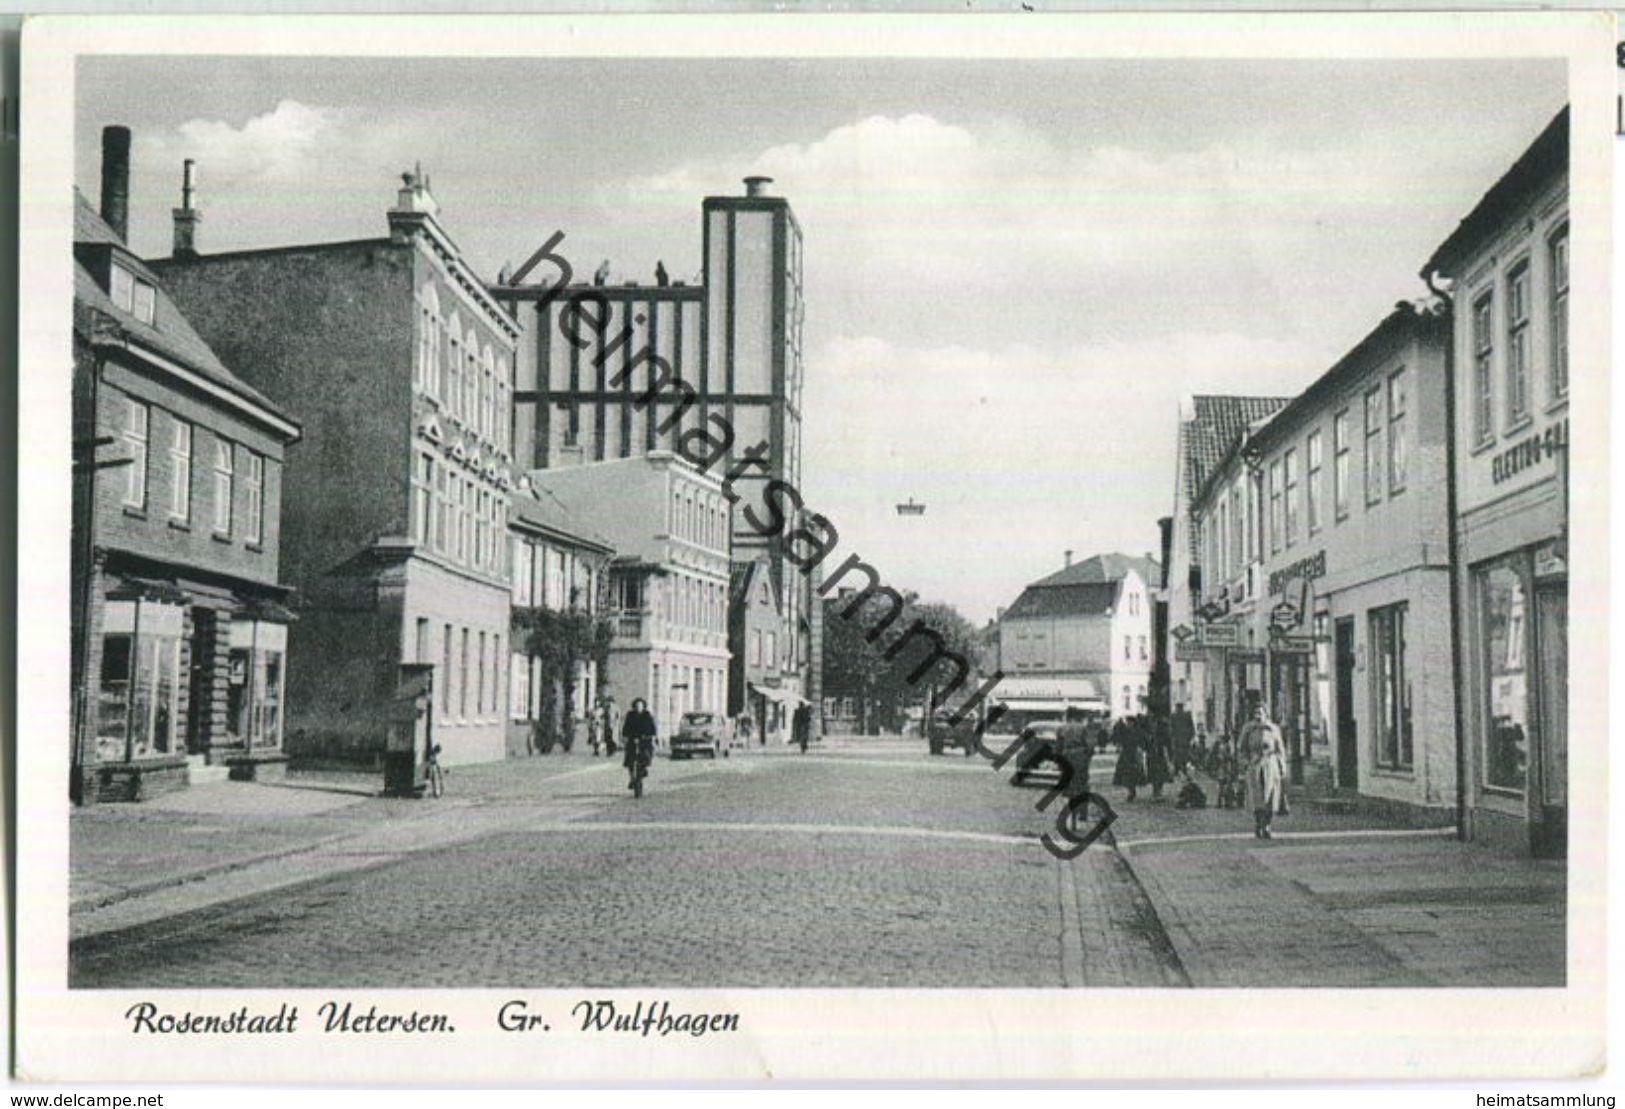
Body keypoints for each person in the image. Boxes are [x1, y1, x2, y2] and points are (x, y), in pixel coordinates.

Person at [1238, 701, 1287, 839]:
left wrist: (1282, 765)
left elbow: (1280, 749)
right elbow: (1241, 749)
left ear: (1266, 714)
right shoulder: (1248, 729)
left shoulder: (1273, 729)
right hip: (1254, 765)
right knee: (1256, 797)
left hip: (1270, 765)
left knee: (1270, 796)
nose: (1258, 716)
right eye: (1256, 713)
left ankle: (1267, 825)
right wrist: (1245, 763)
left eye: (1260, 713)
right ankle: (1258, 823)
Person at [621, 697, 657, 792]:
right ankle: (632, 777)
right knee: (630, 759)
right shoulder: (630, 715)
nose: (638, 708)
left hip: (644, 740)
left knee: (646, 755)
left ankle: (644, 768)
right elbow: (626, 727)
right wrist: (625, 736)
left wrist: (652, 736)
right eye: (637, 706)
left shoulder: (647, 715)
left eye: (640, 706)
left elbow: (652, 727)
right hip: (632, 739)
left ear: (643, 706)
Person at [1112, 715, 1147, 802]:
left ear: (1133, 723)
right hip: (1126, 754)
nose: (1129, 724)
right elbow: (1118, 738)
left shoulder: (1137, 731)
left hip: (1134, 754)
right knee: (1126, 773)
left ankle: (1132, 790)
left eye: (1130, 722)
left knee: (1133, 773)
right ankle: (1130, 790)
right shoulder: (1125, 731)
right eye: (1128, 722)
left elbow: (1143, 741)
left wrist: (1141, 748)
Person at [1145, 715, 1173, 800]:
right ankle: (1156, 791)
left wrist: (1170, 753)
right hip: (1152, 754)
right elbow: (1146, 742)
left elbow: (1168, 743)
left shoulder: (1163, 730)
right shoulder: (1149, 730)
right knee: (1154, 773)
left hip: (1160, 754)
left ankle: (1158, 790)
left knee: (1160, 773)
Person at [1170, 705, 1196, 777]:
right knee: (1182, 754)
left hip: (1180, 739)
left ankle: (1179, 769)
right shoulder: (1186, 716)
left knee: (1179, 754)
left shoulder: (1174, 716)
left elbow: (1171, 728)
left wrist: (1172, 737)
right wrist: (1190, 736)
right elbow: (1191, 727)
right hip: (1183, 739)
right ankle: (1180, 768)